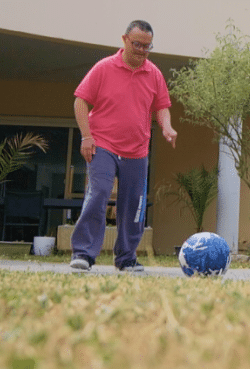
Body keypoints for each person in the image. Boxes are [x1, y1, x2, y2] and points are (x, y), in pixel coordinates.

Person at [70, 20, 177, 271]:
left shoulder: (154, 74)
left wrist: (167, 127)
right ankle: (84, 254)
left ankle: (126, 258)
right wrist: (87, 136)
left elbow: (161, 106)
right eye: (137, 44)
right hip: (103, 145)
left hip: (137, 150)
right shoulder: (104, 68)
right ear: (124, 40)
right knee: (99, 194)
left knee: (134, 205)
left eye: (147, 46)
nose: (141, 50)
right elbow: (80, 102)